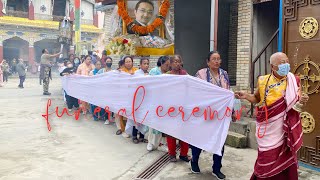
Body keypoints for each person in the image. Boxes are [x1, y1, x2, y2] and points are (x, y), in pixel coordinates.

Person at [235, 52, 309, 180]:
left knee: (286, 157)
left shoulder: (293, 80)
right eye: (281, 63)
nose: (285, 65)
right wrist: (246, 96)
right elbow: (257, 98)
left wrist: (302, 101)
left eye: (286, 61)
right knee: (266, 157)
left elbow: (297, 104)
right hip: (268, 128)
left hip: (285, 129)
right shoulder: (263, 81)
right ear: (272, 66)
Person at [190, 51, 237, 180]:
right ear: (208, 61)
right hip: (204, 114)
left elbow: (228, 93)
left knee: (220, 141)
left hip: (220, 115)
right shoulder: (201, 74)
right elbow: (195, 92)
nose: (216, 61)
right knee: (199, 139)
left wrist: (232, 111)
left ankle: (217, 168)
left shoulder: (224, 74)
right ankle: (194, 160)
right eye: (214, 59)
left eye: (218, 59)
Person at [165, 55, 190, 163]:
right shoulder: (166, 76)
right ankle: (171, 154)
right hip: (170, 108)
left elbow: (192, 85)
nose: (177, 63)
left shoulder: (185, 75)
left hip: (183, 108)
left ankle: (184, 154)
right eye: (174, 61)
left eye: (179, 61)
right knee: (171, 132)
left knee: (184, 132)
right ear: (170, 64)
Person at [147, 56, 171, 151]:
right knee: (152, 123)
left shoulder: (169, 73)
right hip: (154, 100)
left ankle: (161, 143)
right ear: (161, 63)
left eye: (169, 65)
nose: (168, 67)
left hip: (165, 102)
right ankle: (150, 142)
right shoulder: (154, 71)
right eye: (166, 65)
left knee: (163, 124)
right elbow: (149, 85)